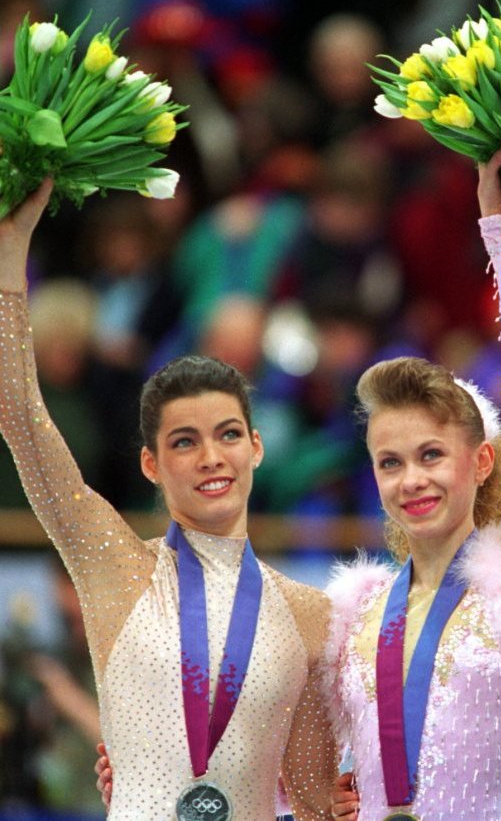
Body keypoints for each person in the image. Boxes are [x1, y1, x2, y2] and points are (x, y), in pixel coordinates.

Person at [0, 181, 335, 819]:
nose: (211, 457)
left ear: (257, 448)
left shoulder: (312, 615)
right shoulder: (114, 566)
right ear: (151, 464)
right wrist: (10, 258)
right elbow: (18, 415)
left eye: (228, 435)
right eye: (185, 442)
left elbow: (316, 801)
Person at [325, 148, 501, 820]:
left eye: (431, 454)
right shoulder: (354, 613)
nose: (411, 478)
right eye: (390, 461)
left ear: (482, 461)